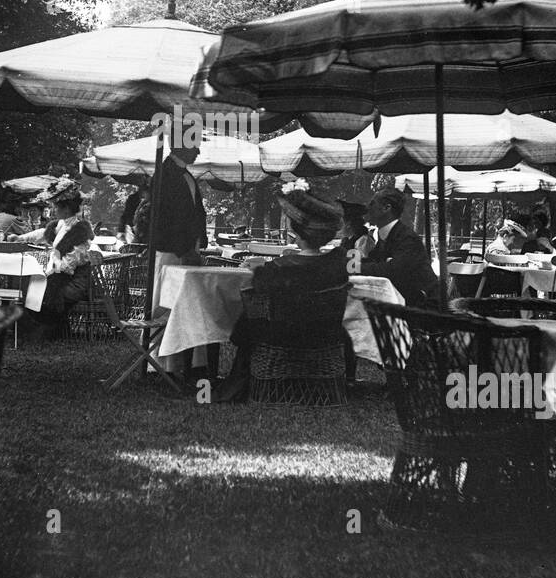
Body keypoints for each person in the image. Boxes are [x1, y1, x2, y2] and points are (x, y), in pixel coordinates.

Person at [216, 183, 349, 402]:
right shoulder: (337, 266)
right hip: (325, 338)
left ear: (296, 229)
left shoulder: (276, 269)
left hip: (279, 339)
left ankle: (235, 383)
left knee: (249, 322)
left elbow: (254, 312)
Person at [148, 142, 211, 377]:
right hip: (171, 250)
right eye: (194, 147)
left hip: (185, 249)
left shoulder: (185, 175)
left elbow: (195, 212)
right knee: (165, 304)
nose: (198, 151)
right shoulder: (165, 175)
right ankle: (160, 362)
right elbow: (166, 218)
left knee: (185, 304)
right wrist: (184, 248)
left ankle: (186, 362)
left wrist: (197, 242)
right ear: (180, 147)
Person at [6, 177, 93, 338]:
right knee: (28, 285)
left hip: (74, 281)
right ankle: (32, 331)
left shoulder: (79, 230)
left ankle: (42, 332)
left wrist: (46, 273)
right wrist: (20, 239)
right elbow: (42, 234)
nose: (52, 210)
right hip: (60, 276)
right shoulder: (61, 224)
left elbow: (68, 265)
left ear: (66, 209)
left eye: (55, 206)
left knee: (35, 289)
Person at [360, 188, 440, 306]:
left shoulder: (407, 238)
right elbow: (373, 261)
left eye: (372, 203)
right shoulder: (386, 236)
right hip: (403, 302)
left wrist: (354, 267)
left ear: (386, 208)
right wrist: (349, 265)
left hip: (425, 307)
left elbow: (392, 271)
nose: (368, 208)